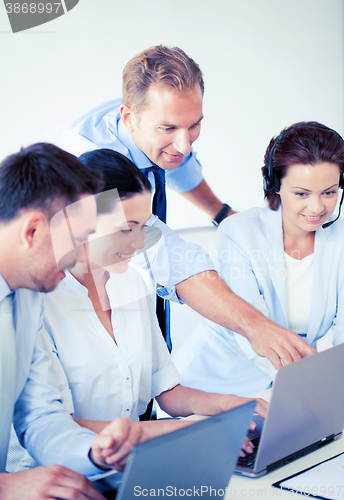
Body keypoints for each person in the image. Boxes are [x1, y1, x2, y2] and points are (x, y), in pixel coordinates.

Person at [50, 45, 316, 371]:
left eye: (194, 125)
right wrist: (255, 327)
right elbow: (170, 259)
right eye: (170, 129)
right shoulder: (91, 171)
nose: (185, 143)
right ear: (128, 118)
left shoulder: (157, 119)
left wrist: (221, 213)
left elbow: (181, 164)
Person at [0, 143, 153, 500]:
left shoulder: (29, 297)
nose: (78, 259)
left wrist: (92, 451)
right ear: (33, 231)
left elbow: (39, 416)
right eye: (76, 240)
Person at [173, 122, 344, 396]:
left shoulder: (340, 240)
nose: (317, 207)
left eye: (329, 192)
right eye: (301, 193)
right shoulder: (240, 231)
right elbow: (253, 333)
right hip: (211, 386)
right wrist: (307, 389)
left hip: (282, 388)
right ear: (274, 185)